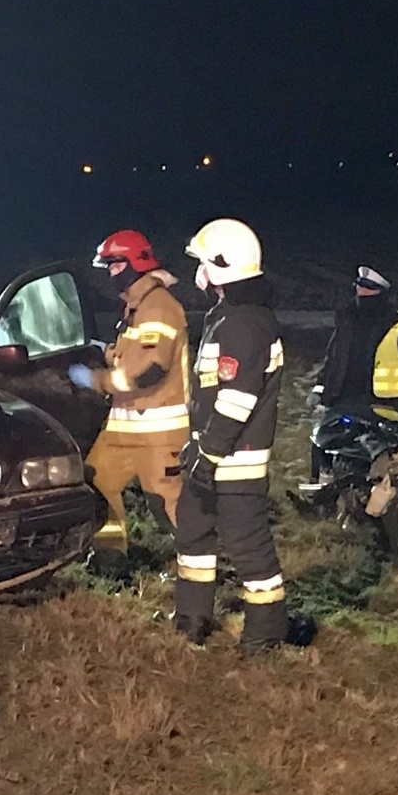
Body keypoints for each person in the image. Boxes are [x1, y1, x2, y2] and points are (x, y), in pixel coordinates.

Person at [173, 218, 289, 656]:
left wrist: (209, 452)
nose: (197, 272)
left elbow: (236, 400)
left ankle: (264, 637)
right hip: (212, 457)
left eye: (202, 263)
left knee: (249, 550)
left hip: (234, 462)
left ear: (220, 267)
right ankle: (191, 620)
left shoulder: (243, 324)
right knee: (194, 536)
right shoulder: (229, 317)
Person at [67, 230, 190, 553]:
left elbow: (148, 370)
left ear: (134, 264)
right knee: (98, 483)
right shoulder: (138, 306)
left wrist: (97, 380)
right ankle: (110, 559)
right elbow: (133, 355)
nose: (109, 274)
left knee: (167, 505)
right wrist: (105, 352)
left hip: (157, 432)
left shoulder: (159, 307)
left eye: (113, 266)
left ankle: (208, 564)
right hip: (125, 428)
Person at [313, 266, 398, 410]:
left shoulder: (396, 321)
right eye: (359, 286)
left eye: (367, 288)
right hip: (343, 399)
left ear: (379, 291)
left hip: (383, 403)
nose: (362, 291)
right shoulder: (346, 318)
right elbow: (333, 359)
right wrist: (319, 389)